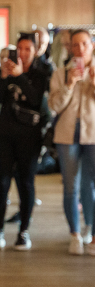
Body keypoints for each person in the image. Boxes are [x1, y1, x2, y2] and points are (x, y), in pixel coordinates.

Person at [0, 33, 52, 250]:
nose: (23, 53)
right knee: (2, 182)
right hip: (5, 134)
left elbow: (36, 100)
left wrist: (20, 77)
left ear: (35, 52)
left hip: (30, 137)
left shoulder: (41, 74)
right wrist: (4, 77)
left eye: (28, 49)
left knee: (26, 183)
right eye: (20, 49)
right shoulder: (6, 70)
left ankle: (23, 231)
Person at [48, 29, 95, 256]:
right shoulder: (59, 73)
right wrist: (69, 84)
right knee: (70, 187)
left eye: (84, 44)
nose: (80, 49)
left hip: (92, 136)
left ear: (92, 45)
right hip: (67, 136)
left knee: (91, 185)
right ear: (70, 48)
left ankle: (92, 232)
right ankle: (74, 234)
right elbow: (54, 106)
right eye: (75, 45)